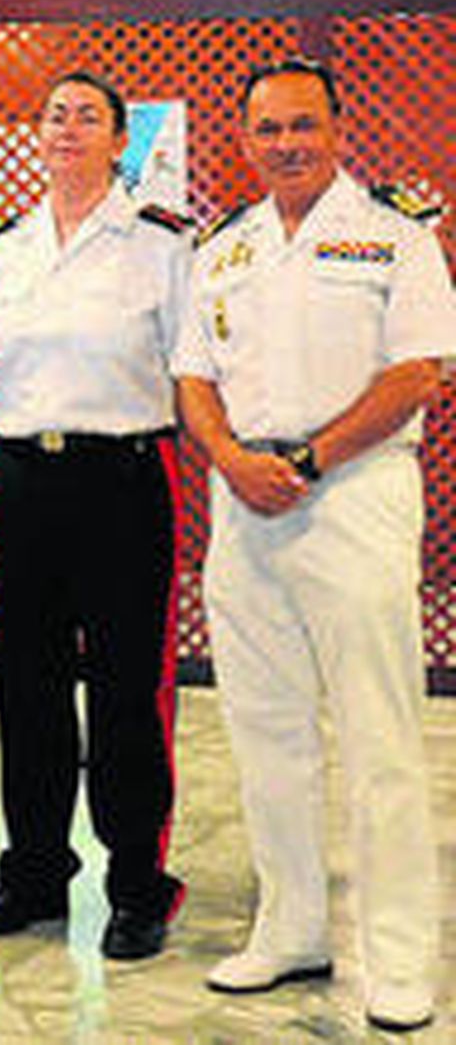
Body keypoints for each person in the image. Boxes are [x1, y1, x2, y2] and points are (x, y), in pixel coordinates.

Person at [174, 58, 454, 1032]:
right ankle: (290, 928)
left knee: (380, 735)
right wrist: (229, 458)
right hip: (242, 504)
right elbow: (193, 375)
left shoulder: (396, 235)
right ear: (244, 139)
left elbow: (419, 372)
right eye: (268, 128)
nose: (286, 143)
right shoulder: (224, 246)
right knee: (265, 731)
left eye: (303, 125)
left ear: (336, 130)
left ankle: (399, 959)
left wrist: (306, 458)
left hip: (354, 496)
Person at [0, 71, 189, 961]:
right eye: (55, 114)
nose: (66, 128)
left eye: (87, 116)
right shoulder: (4, 251)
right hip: (22, 481)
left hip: (121, 480)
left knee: (126, 689)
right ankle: (33, 872)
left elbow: (190, 372)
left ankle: (136, 884)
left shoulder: (161, 246)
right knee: (28, 686)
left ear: (120, 139)